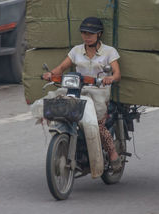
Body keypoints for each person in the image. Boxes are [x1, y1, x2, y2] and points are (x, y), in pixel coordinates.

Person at [42, 16, 122, 171]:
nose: (87, 36)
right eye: (84, 33)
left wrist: (110, 78)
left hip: (98, 92)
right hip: (78, 90)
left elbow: (117, 73)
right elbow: (61, 67)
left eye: (90, 33)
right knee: (62, 112)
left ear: (99, 34)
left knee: (97, 126)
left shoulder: (109, 52)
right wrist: (51, 74)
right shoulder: (76, 50)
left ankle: (113, 154)